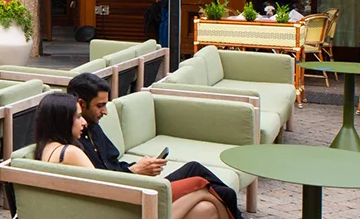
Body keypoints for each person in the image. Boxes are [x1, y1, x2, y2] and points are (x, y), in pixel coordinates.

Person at [66, 73, 239, 219]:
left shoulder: (93, 127)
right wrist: (134, 171)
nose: (105, 112)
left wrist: (140, 167)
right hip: (131, 195)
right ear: (81, 104)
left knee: (196, 170)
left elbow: (113, 165)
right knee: (216, 191)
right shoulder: (74, 145)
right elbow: (104, 184)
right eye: (100, 105)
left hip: (136, 183)